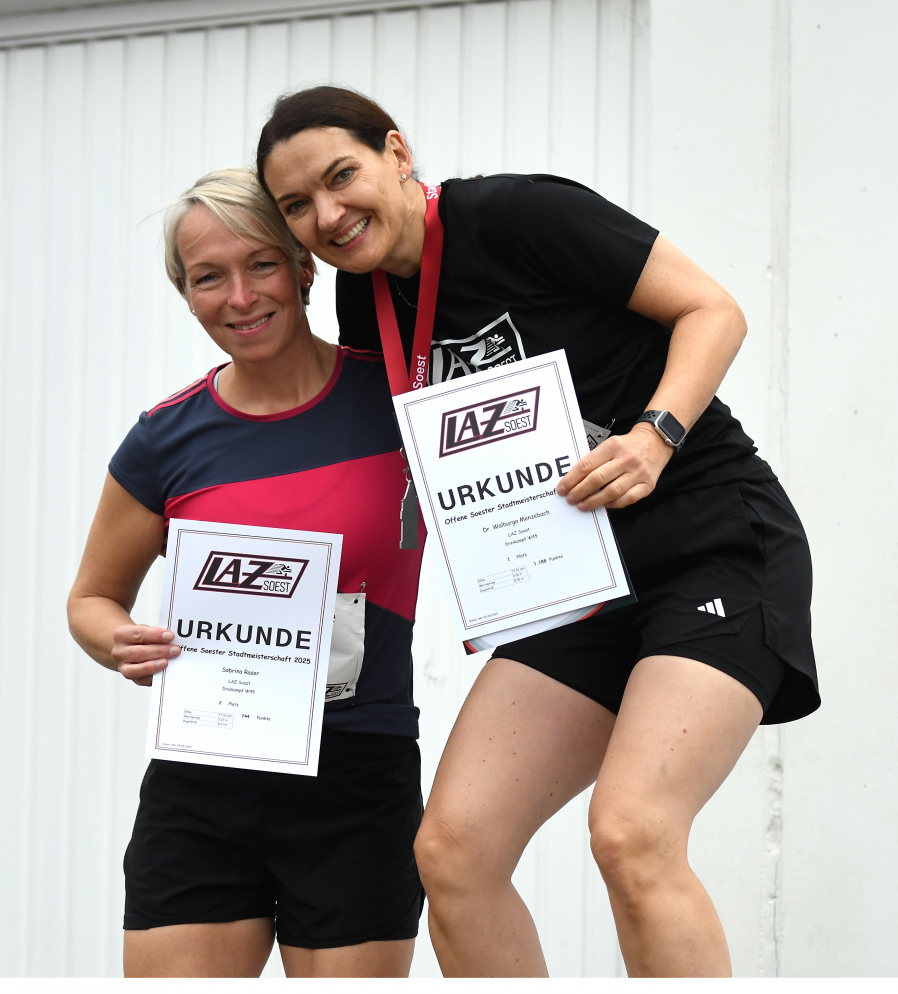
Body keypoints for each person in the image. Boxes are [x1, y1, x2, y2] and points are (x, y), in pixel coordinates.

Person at [254, 87, 821, 979]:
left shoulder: (519, 214)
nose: (327, 213)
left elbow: (714, 311)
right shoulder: (366, 307)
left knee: (632, 833)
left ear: (397, 153)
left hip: (710, 544)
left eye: (342, 176)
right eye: (297, 205)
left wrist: (654, 436)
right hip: (573, 586)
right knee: (453, 853)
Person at [66, 167, 427, 978]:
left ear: (305, 267)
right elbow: (90, 598)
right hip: (202, 782)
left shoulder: (400, 402)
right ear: (185, 294)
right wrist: (120, 640)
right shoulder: (164, 439)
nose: (239, 296)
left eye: (261, 264)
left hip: (358, 779)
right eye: (207, 277)